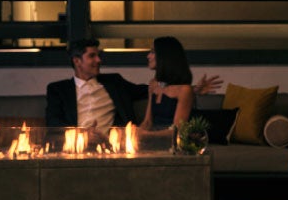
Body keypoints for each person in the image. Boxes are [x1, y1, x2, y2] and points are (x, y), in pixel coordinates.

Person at [45, 38, 222, 131]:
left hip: (113, 144)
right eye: (92, 56)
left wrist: (193, 89)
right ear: (77, 61)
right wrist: (80, 134)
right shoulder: (58, 89)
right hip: (76, 143)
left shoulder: (114, 82)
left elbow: (163, 91)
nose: (99, 60)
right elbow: (53, 122)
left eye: (99, 55)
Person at [140, 36, 194, 131]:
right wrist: (132, 134)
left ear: (164, 56)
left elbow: (177, 130)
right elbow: (147, 122)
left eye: (152, 52)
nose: (148, 56)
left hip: (171, 142)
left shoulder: (184, 90)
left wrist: (146, 136)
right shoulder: (153, 84)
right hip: (151, 139)